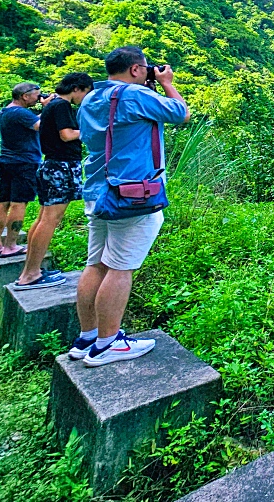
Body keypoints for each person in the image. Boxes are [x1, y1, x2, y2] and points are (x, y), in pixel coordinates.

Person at [67, 47, 188, 367]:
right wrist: (167, 82)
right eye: (146, 69)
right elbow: (180, 113)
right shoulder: (134, 96)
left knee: (96, 264)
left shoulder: (90, 98)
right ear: (136, 69)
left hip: (97, 191)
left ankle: (87, 338)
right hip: (132, 195)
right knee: (121, 268)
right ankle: (108, 344)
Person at [13, 72, 95, 290]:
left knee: (43, 218)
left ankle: (32, 270)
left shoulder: (52, 105)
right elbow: (66, 135)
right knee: (50, 220)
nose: (85, 97)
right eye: (86, 92)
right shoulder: (61, 106)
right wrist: (91, 130)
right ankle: (30, 275)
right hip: (61, 166)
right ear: (77, 88)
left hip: (52, 165)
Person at [0, 83, 43, 258]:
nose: (38, 98)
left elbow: (30, 122)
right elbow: (41, 126)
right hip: (24, 162)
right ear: (25, 96)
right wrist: (50, 108)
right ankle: (10, 246)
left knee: (2, 203)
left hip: (6, 160)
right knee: (19, 203)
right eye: (36, 95)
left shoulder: (5, 112)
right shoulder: (22, 113)